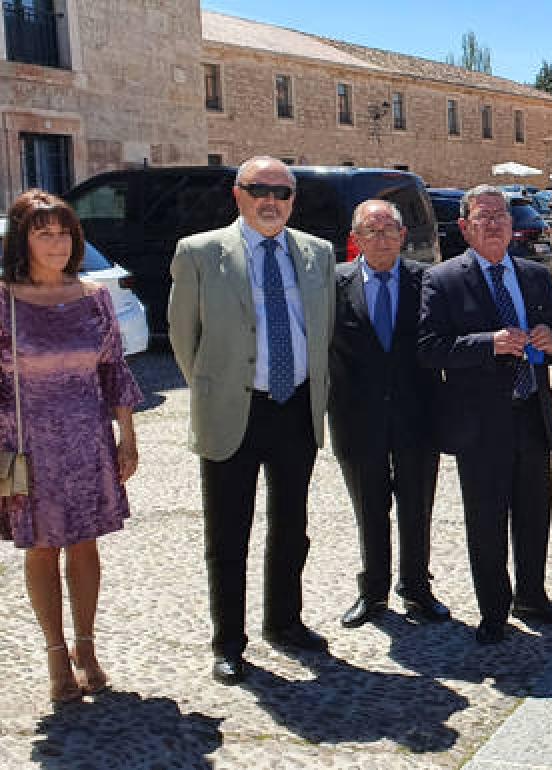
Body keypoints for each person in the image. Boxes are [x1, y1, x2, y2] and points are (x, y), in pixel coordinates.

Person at [168, 156, 336, 685]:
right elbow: (182, 339)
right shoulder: (199, 252)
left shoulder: (317, 254)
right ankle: (229, 642)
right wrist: (214, 388)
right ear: (237, 194)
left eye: (282, 192)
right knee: (228, 534)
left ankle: (284, 621)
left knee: (292, 528)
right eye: (258, 189)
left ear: (293, 200)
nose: (271, 200)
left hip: (295, 408)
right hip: (233, 409)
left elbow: (323, 330)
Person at [417, 184, 552, 645]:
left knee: (534, 514)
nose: (493, 224)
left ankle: (533, 595)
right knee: (486, 520)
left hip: (531, 412)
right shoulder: (443, 279)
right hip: (480, 423)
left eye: (500, 217)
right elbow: (429, 349)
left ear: (512, 226)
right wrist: (487, 343)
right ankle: (493, 609)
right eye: (482, 217)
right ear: (465, 227)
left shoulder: (534, 276)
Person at [0, 190, 142, 703]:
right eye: (44, 233)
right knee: (41, 547)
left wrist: (127, 435)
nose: (56, 242)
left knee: (86, 544)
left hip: (87, 441)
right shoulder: (3, 301)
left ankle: (86, 646)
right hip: (28, 445)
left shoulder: (93, 297)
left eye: (63, 232)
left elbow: (112, 371)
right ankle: (55, 655)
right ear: (24, 240)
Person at [330, 201, 449, 629]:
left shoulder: (429, 281)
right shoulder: (332, 282)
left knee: (418, 506)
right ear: (356, 238)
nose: (380, 238)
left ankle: (416, 587)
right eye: (370, 230)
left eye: (388, 230)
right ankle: (373, 591)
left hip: (417, 417)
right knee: (369, 507)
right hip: (356, 420)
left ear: (402, 237)